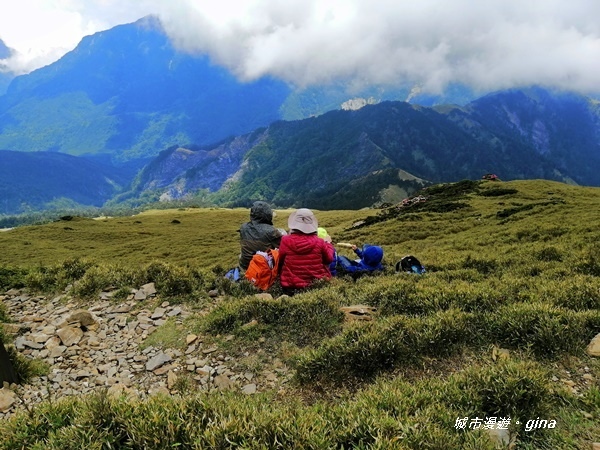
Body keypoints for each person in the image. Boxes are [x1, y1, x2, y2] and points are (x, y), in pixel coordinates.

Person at [278, 209, 335, 293]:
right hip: (315, 285)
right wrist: (328, 244)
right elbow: (329, 259)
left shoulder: (285, 240)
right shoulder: (320, 242)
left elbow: (281, 260)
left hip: (290, 286)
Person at [238, 201, 283, 271]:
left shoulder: (243, 227)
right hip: (262, 269)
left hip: (244, 266)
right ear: (268, 214)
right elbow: (282, 247)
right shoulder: (272, 231)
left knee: (241, 255)